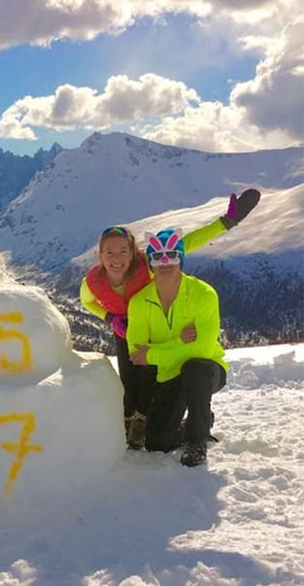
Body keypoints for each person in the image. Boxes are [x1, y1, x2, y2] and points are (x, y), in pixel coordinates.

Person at [80, 189, 259, 450]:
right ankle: (134, 425)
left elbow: (184, 245)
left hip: (160, 334)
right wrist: (110, 317)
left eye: (123, 252)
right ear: (100, 255)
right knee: (131, 380)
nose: (116, 259)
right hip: (129, 328)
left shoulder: (150, 266)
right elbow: (87, 302)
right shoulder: (94, 282)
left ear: (134, 254)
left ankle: (174, 426)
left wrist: (226, 223)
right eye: (109, 253)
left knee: (160, 374)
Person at [127, 227, 228, 467]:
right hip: (169, 374)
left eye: (172, 255)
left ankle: (197, 439)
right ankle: (198, 420)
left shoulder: (203, 294)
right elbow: (136, 354)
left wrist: (153, 353)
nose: (165, 262)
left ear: (181, 258)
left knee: (196, 367)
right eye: (158, 257)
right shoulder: (140, 302)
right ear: (150, 263)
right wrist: (181, 343)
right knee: (157, 443)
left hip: (208, 370)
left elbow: (202, 350)